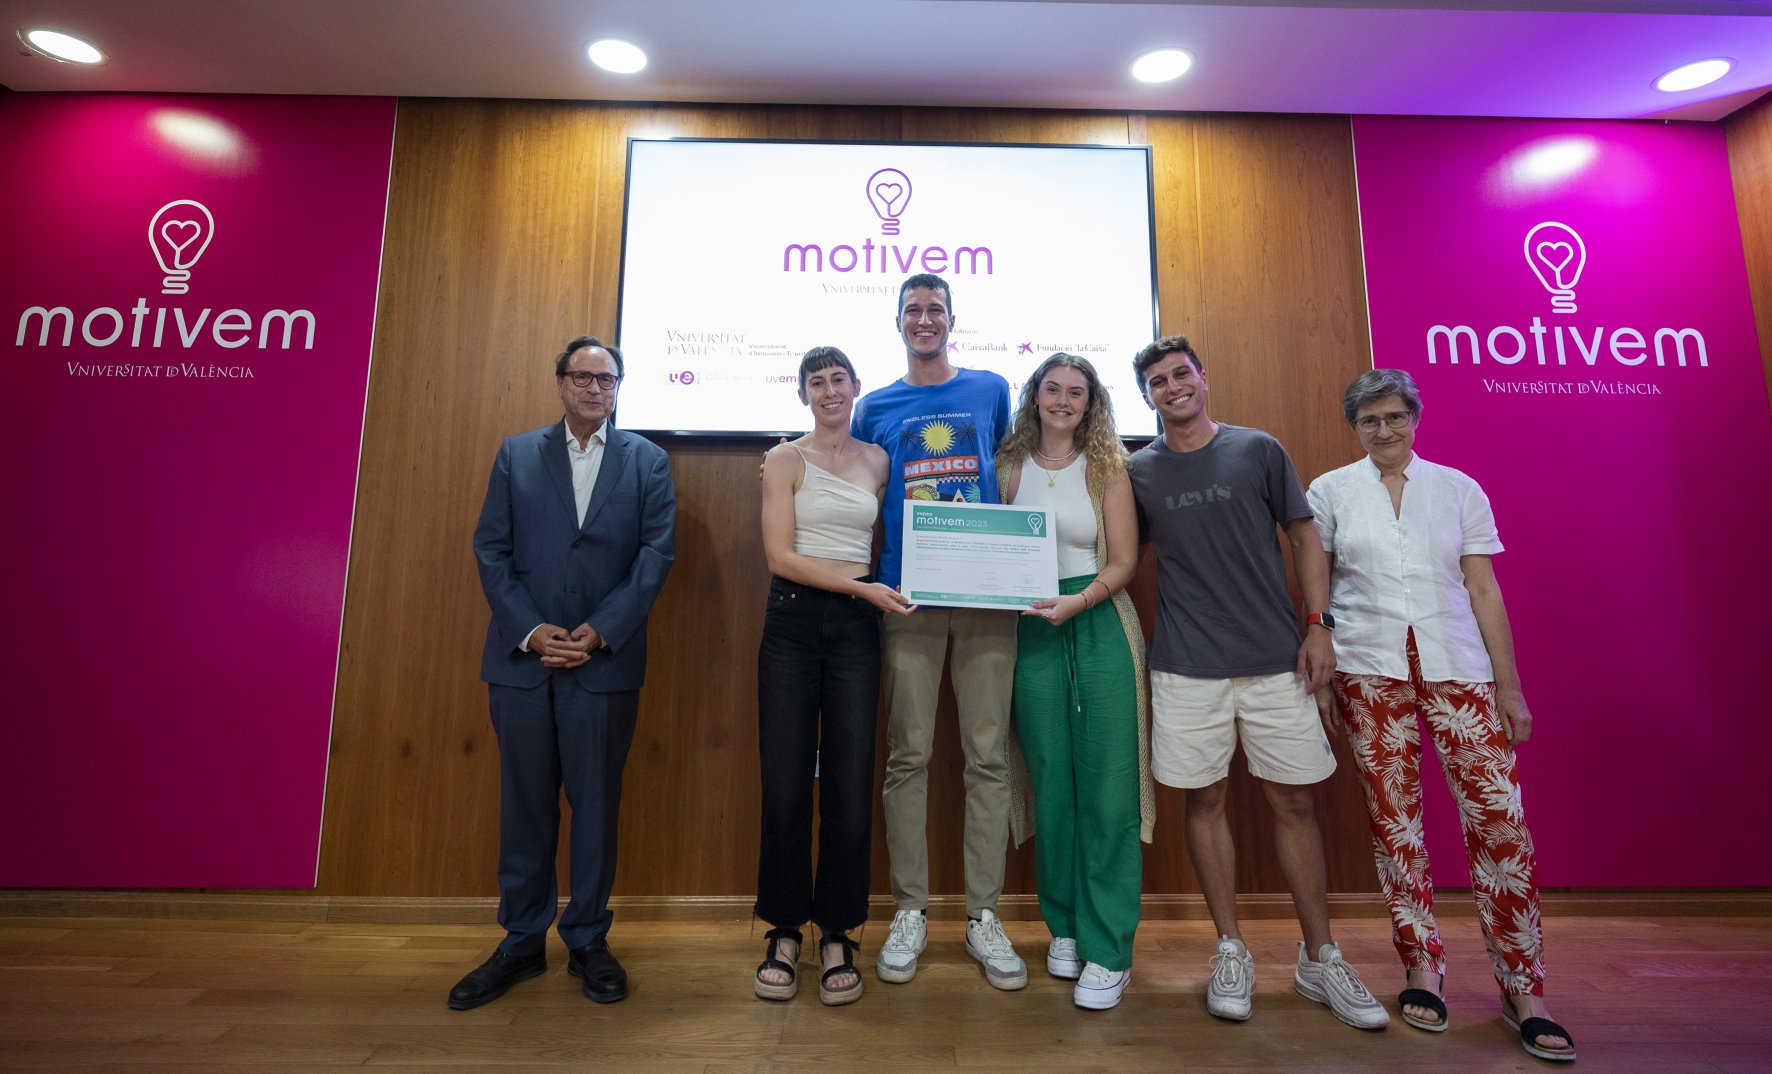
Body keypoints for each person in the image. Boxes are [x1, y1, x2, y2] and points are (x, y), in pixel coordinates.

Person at [1307, 368, 1575, 1062]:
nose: (1384, 430)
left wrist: (1510, 687)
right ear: (1354, 427)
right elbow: (1319, 586)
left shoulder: (1459, 489)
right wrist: (1325, 666)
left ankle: (1524, 988)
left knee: (1501, 825)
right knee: (1395, 826)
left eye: (1395, 417)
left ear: (1415, 418)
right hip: (1369, 669)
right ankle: (1421, 966)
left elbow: (1483, 589)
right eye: (1370, 420)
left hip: (1459, 667)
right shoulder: (1329, 492)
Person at [1127, 334, 1387, 1030]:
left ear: (1202, 377)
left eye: (1181, 374)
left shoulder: (1259, 450)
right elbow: (1118, 554)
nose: (1173, 387)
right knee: (1203, 801)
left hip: (1277, 660)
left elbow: (1304, 537)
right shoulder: (1138, 471)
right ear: (1147, 398)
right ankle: (1231, 949)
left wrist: (1319, 625)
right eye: (1158, 382)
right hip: (1185, 665)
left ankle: (1320, 956)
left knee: (1295, 804)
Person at [449, 335, 676, 1010]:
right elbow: (491, 549)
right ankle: (521, 941)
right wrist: (532, 629)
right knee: (524, 806)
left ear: (618, 389)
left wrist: (598, 631)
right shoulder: (517, 454)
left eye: (608, 380)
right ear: (561, 383)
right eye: (584, 378)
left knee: (596, 809)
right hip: (522, 661)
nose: (596, 389)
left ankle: (587, 940)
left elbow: (655, 557)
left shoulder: (647, 461)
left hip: (603, 664)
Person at [851, 273, 1025, 990]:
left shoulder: (991, 389)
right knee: (908, 756)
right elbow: (853, 481)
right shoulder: (873, 406)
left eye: (936, 310)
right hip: (908, 599)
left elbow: (1011, 471)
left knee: (988, 758)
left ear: (953, 319)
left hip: (986, 595)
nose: (925, 319)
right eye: (912, 310)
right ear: (897, 322)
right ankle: (910, 910)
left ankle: (984, 915)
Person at [753, 346, 911, 1006]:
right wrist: (863, 588)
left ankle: (839, 933)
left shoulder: (879, 460)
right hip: (793, 620)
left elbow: (907, 528)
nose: (827, 391)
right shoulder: (784, 459)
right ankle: (784, 930)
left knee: (849, 784)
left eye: (837, 379)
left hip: (856, 628)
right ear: (802, 394)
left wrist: (876, 593)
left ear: (855, 387)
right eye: (815, 382)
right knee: (786, 781)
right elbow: (780, 557)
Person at [997, 353, 1153, 1011]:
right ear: (1034, 395)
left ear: (1092, 403)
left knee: (1109, 789)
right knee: (1051, 786)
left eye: (1077, 392)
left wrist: (1079, 601)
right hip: (1030, 630)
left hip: (1097, 621)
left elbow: (1124, 562)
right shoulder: (1008, 465)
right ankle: (1064, 925)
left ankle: (1109, 948)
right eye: (1053, 389)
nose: (1063, 400)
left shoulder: (1108, 465)